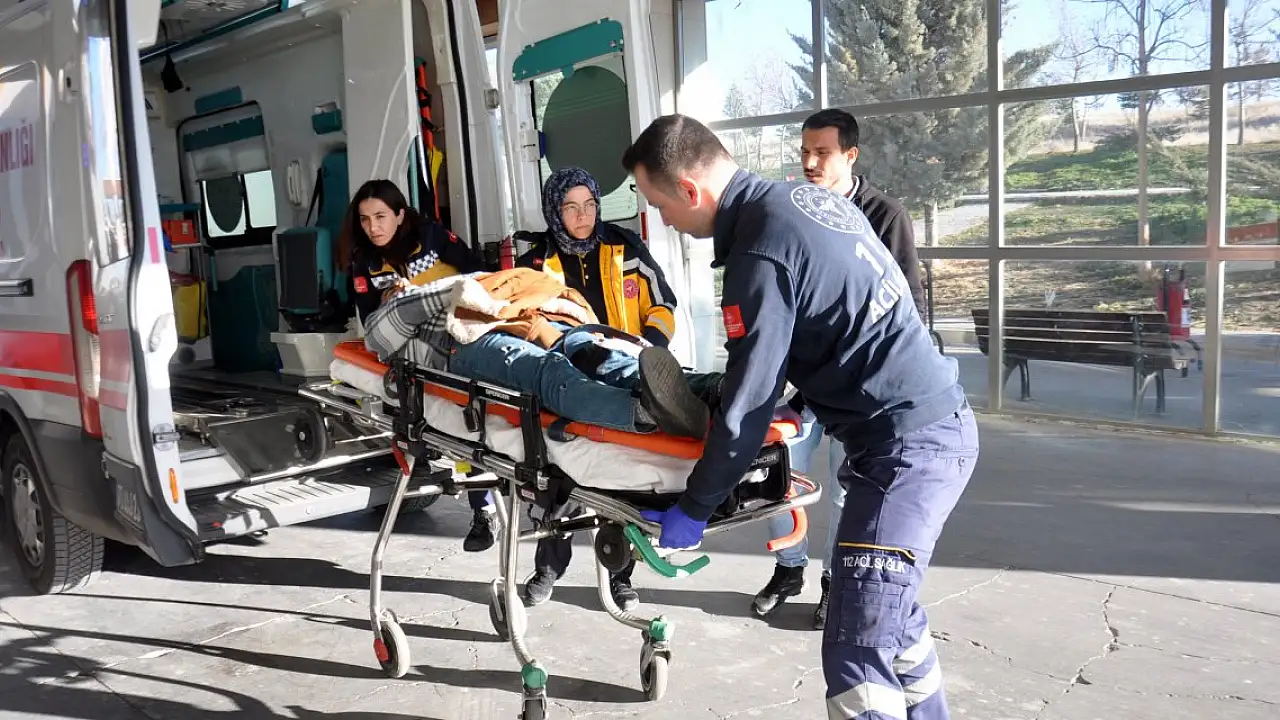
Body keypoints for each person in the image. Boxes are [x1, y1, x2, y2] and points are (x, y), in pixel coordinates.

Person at [624, 114, 978, 720]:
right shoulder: (805, 201)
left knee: (857, 647)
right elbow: (850, 315)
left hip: (905, 451)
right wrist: (806, 401)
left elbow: (748, 399)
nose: (664, 221)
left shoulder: (759, 249)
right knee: (894, 619)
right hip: (928, 429)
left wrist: (697, 505)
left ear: (689, 189)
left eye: (658, 205)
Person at [755, 109, 930, 627]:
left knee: (846, 488)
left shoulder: (886, 215)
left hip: (860, 387)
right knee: (775, 471)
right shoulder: (797, 209)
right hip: (806, 383)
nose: (810, 163)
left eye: (822, 153)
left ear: (850, 155)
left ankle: (834, 583)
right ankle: (789, 568)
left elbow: (909, 305)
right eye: (804, 152)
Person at [513, 167, 701, 612]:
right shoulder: (535, 263)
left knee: (619, 481)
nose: (583, 215)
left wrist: (649, 350)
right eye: (571, 207)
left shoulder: (625, 247)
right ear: (554, 212)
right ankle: (548, 568)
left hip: (626, 370)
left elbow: (663, 303)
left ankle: (621, 575)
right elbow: (523, 319)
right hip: (566, 380)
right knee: (557, 480)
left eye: (590, 205)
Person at [340, 179, 503, 555]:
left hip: (456, 333)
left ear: (400, 215)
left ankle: (484, 510)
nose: (373, 227)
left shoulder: (431, 237)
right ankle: (433, 465)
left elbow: (478, 276)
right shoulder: (364, 263)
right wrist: (394, 301)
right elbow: (372, 323)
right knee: (436, 412)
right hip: (412, 349)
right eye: (365, 219)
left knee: (470, 423)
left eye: (381, 216)